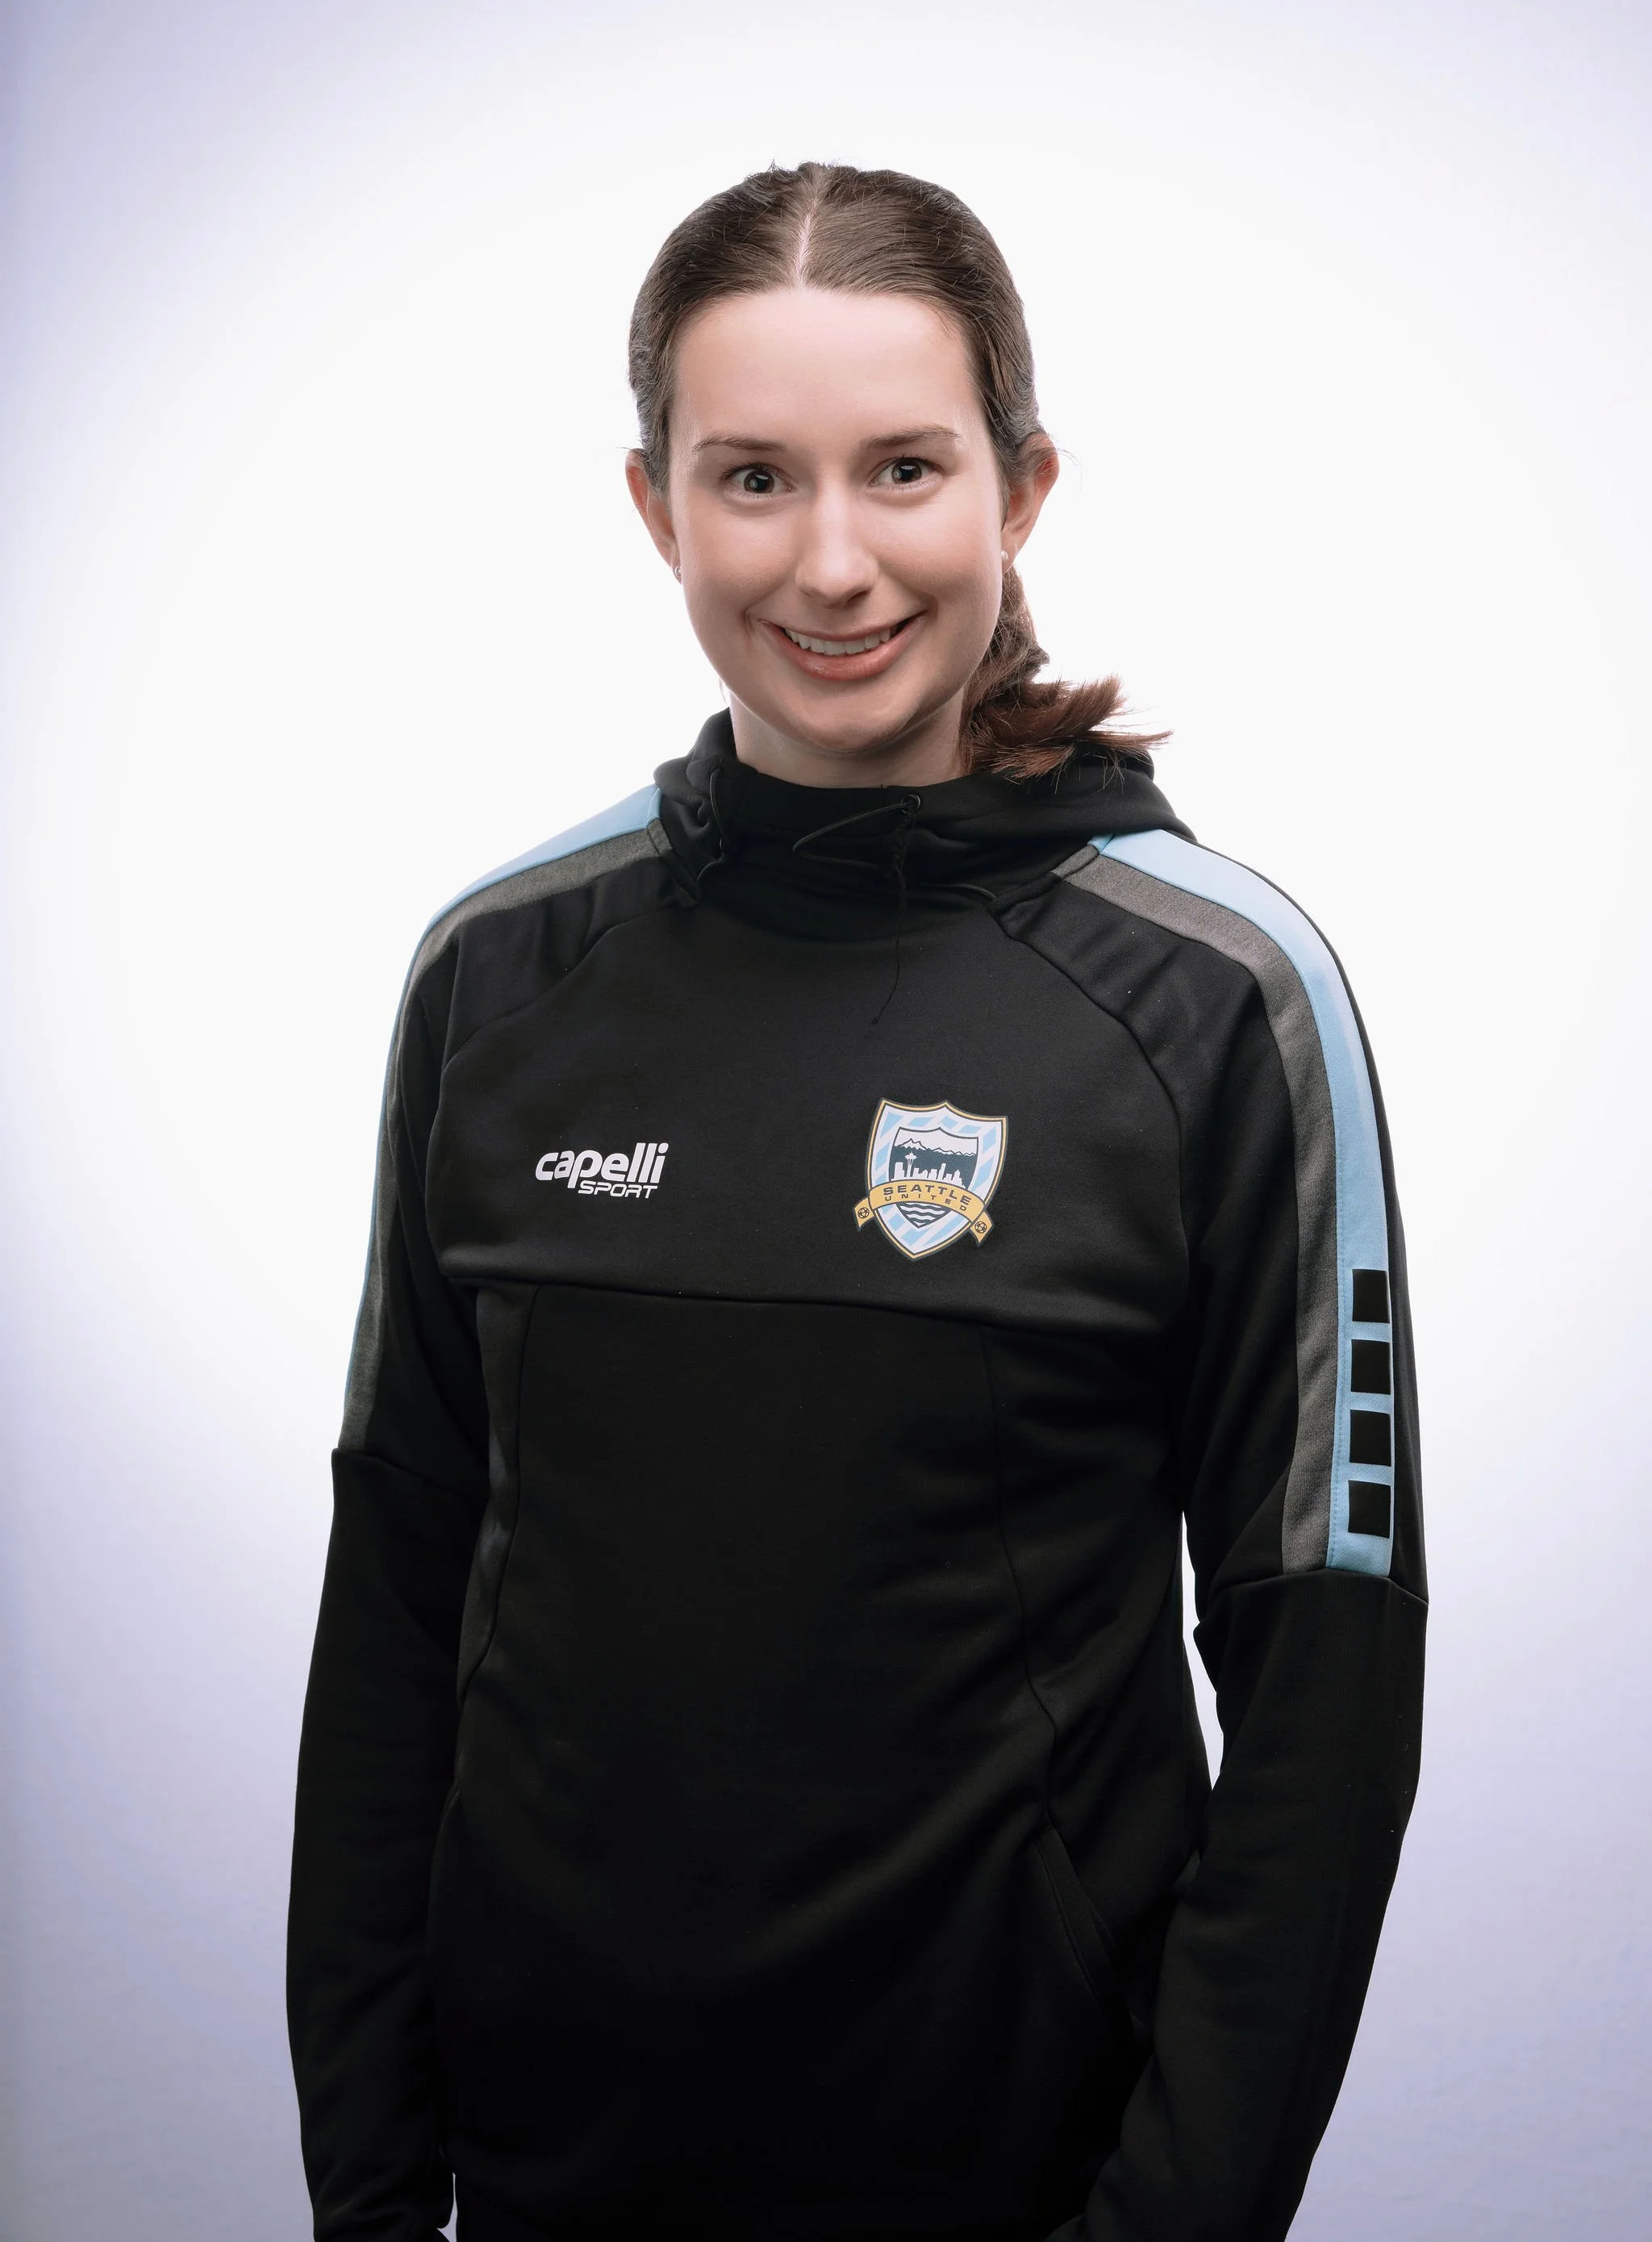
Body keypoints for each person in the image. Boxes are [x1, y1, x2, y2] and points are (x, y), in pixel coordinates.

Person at [288, 161, 1425, 2242]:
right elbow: (392, 1620)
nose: (833, 563)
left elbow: (1329, 1696)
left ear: (1023, 487)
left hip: (1020, 2188)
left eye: (905, 469)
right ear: (655, 507)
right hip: (551, 2183)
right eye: (753, 480)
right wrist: (372, 2192)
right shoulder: (501, 978)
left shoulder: (1216, 999)